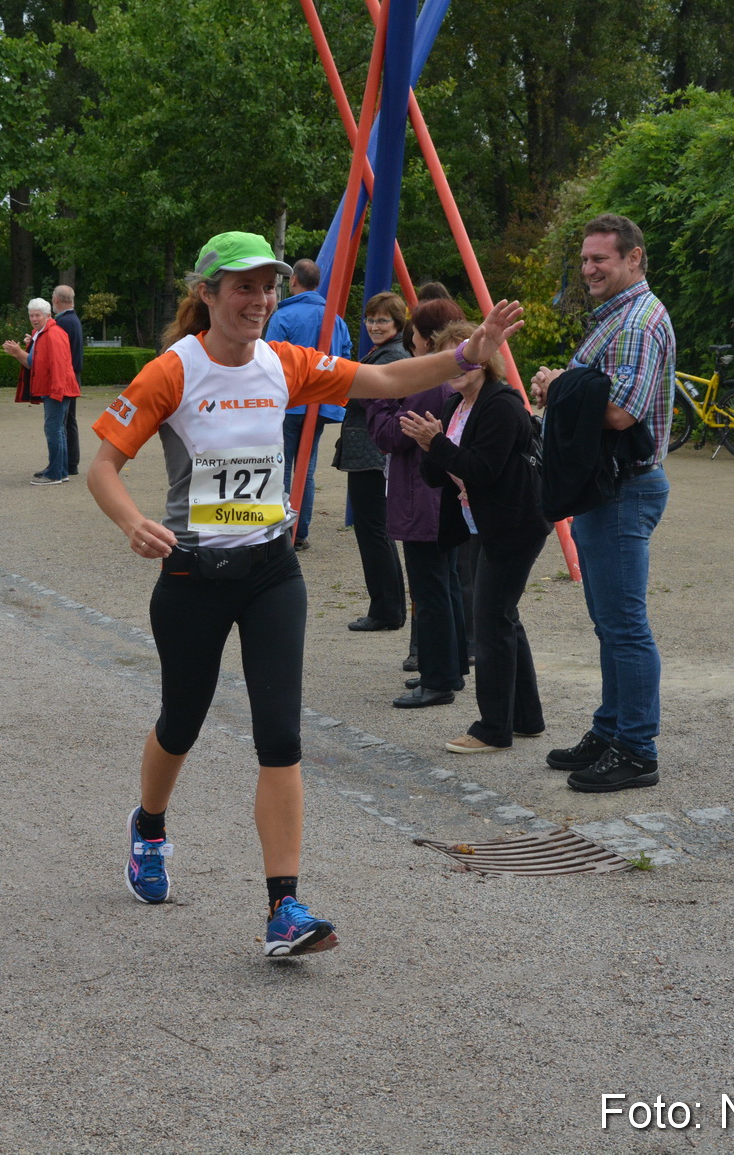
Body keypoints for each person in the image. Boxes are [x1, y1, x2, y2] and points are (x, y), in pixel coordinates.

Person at [85, 230, 523, 956]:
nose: (259, 300)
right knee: (181, 721)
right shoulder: (171, 371)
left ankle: (283, 907)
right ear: (208, 293)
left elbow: (383, 381)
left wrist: (466, 354)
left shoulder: (285, 362)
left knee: (281, 736)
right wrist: (133, 522)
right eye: (244, 287)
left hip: (269, 572)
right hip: (194, 574)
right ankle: (150, 826)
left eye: (269, 286)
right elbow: (103, 464)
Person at [530, 213, 674, 792]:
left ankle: (637, 750)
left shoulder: (637, 321)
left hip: (622, 488)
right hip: (605, 487)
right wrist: (563, 383)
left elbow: (620, 411)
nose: (589, 268)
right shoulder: (616, 318)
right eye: (586, 259)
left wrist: (556, 386)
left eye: (601, 259)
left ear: (633, 259)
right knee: (609, 623)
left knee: (624, 626)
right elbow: (599, 394)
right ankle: (612, 728)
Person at [401, 321, 550, 752]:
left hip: (514, 524)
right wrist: (429, 444)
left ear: (486, 360)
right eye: (450, 358)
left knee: (489, 622)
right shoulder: (454, 407)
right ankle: (525, 717)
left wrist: (437, 445)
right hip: (479, 524)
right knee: (503, 617)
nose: (457, 367)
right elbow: (437, 476)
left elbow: (483, 470)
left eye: (464, 357)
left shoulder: (501, 404)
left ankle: (492, 728)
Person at [368, 296, 470, 708]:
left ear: (425, 338)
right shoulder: (452, 378)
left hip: (421, 496)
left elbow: (392, 435)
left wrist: (375, 400)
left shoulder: (426, 383)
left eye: (413, 330)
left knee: (429, 589)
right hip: (440, 496)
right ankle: (451, 666)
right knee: (446, 584)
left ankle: (437, 678)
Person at [264, 258, 351, 551]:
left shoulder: (283, 317)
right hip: (322, 402)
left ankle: (282, 530)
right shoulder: (335, 319)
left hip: (289, 402)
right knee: (307, 467)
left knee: (282, 465)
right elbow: (346, 356)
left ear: (294, 282)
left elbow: (268, 359)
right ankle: (300, 531)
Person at [335, 290, 408, 633]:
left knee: (373, 531)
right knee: (376, 531)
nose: (375, 325)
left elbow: (364, 395)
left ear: (397, 323)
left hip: (371, 454)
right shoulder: (384, 352)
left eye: (383, 320)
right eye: (371, 319)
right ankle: (387, 605)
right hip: (369, 451)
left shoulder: (389, 355)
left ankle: (386, 609)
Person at [5, 297, 80, 485]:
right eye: (31, 315)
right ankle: (59, 470)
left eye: (37, 315)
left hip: (56, 389)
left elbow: (54, 364)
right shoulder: (44, 333)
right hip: (56, 388)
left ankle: (55, 473)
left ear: (47, 315)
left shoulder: (52, 334)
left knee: (53, 429)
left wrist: (17, 352)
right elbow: (38, 362)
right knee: (57, 430)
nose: (34, 318)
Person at [52, 285, 84, 479]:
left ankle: (66, 463)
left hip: (66, 376)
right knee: (69, 420)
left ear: (56, 300)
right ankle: (72, 462)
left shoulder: (63, 322)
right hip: (74, 375)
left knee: (62, 421)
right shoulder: (74, 320)